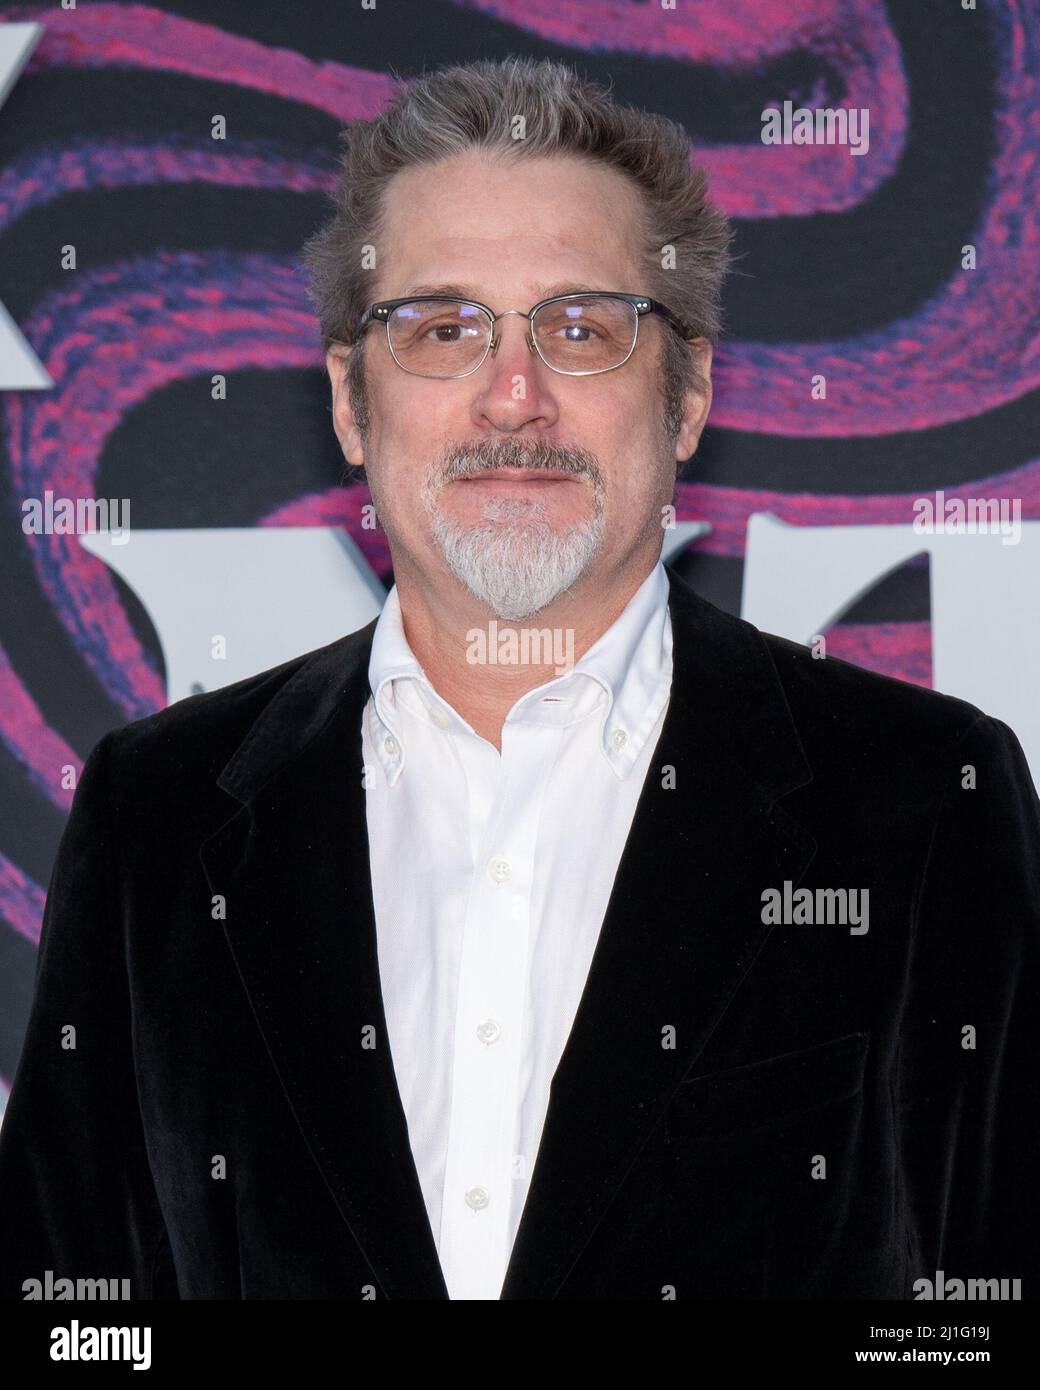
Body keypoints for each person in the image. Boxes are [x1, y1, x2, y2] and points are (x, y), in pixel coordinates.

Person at [1, 55, 1038, 1302]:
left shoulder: (921, 800)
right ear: (348, 399)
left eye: (582, 326)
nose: (514, 393)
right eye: (442, 328)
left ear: (687, 393)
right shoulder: (158, 813)